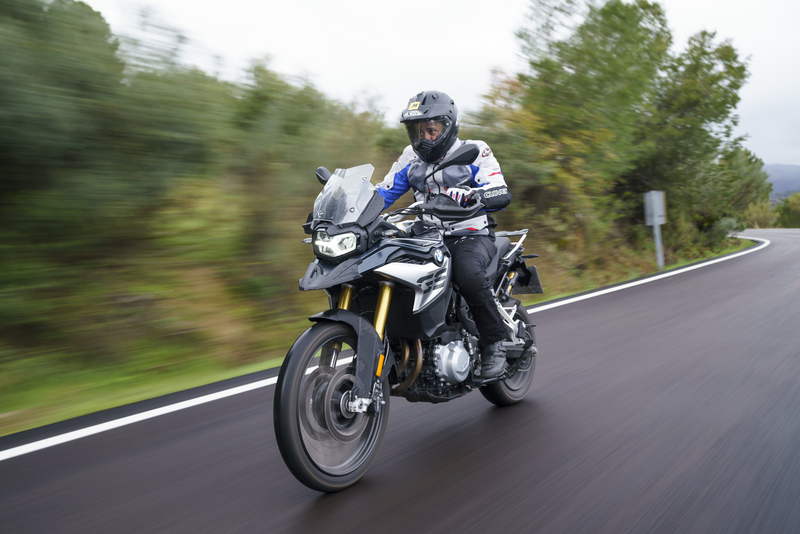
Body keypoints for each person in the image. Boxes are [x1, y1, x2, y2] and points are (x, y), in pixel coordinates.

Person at [376, 90, 512, 379]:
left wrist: (474, 195)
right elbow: (384, 193)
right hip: (426, 236)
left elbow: (500, 190)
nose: (423, 137)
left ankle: (494, 344)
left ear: (447, 127)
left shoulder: (475, 151)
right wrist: (348, 205)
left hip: (469, 233)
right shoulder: (409, 158)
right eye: (417, 131)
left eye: (431, 130)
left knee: (468, 272)